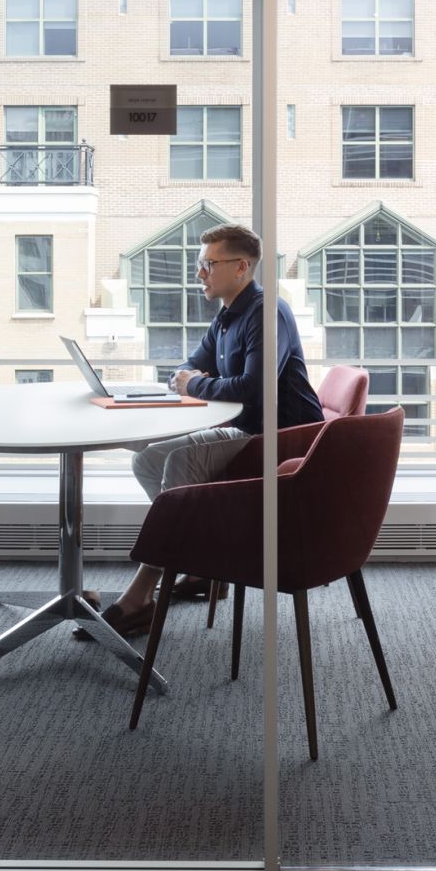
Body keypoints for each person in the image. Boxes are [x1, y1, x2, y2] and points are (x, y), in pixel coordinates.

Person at [85, 223, 323, 640]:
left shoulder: (267, 313)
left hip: (279, 438)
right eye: (201, 264)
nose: (199, 273)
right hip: (249, 430)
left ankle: (141, 595)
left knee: (179, 459)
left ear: (241, 267)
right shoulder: (228, 316)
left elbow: (253, 389)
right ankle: (200, 568)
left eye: (207, 264)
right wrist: (189, 377)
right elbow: (186, 365)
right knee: (148, 458)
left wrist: (195, 382)